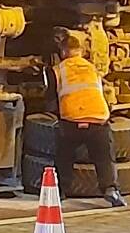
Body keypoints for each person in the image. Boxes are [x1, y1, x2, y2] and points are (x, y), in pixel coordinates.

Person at [45, 29, 125, 207]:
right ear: (80, 52)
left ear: (63, 52)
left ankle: (60, 191)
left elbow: (50, 98)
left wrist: (52, 114)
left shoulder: (57, 70)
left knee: (64, 155)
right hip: (98, 120)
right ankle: (111, 189)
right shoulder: (93, 69)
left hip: (72, 121)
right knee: (104, 157)